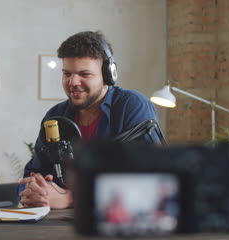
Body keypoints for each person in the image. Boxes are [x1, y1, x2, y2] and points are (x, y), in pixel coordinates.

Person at [18, 31, 161, 209]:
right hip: (57, 228)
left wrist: (70, 198)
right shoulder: (55, 116)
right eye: (67, 74)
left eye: (84, 74)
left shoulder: (133, 106)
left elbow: (150, 182)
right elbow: (32, 174)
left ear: (108, 75)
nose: (73, 82)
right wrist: (35, 192)